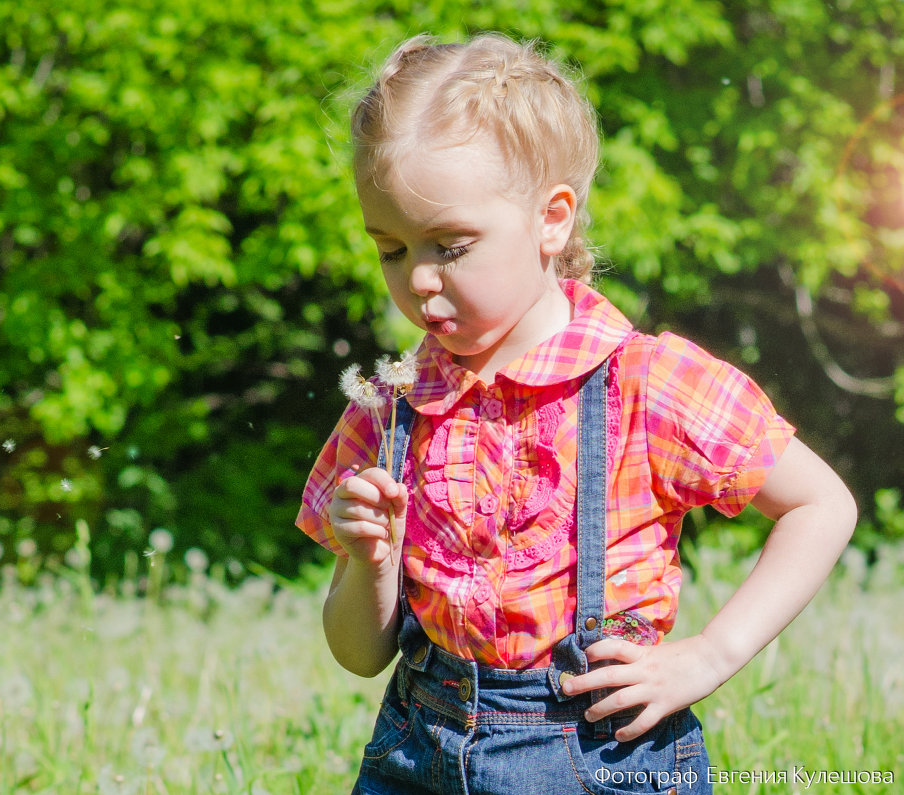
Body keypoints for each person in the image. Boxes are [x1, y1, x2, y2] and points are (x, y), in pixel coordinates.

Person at [296, 32, 857, 794]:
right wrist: (370, 562)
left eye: (451, 245)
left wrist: (709, 654)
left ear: (551, 219)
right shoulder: (392, 410)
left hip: (600, 760)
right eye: (391, 248)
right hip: (418, 752)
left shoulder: (644, 381)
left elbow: (822, 504)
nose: (419, 277)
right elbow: (360, 651)